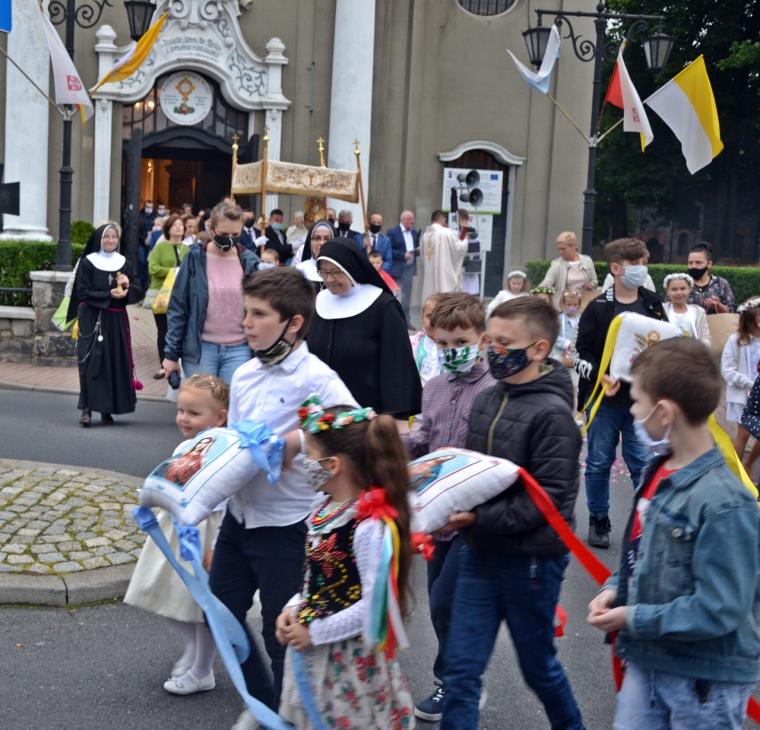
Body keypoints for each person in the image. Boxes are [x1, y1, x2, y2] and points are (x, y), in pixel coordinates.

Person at [208, 268, 357, 723]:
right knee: (220, 614)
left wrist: (300, 439)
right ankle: (264, 703)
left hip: (288, 526)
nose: (246, 323)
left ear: (293, 323)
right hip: (240, 519)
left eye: (259, 315)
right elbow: (235, 447)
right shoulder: (245, 373)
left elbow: (355, 431)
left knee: (282, 632)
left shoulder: (318, 379)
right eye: (246, 312)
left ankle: (289, 716)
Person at [587, 337, 760, 729]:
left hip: (703, 683)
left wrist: (633, 617)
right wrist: (615, 588)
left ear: (664, 412)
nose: (632, 412)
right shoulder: (657, 472)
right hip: (649, 662)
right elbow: (644, 554)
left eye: (636, 402)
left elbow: (720, 607)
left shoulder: (725, 503)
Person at [440, 297, 585, 730]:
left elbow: (550, 500)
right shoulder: (487, 399)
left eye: (506, 343)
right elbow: (472, 473)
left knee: (539, 668)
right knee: (461, 670)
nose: (494, 351)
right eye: (492, 341)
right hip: (479, 554)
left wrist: (477, 519)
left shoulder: (554, 415)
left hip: (532, 561)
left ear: (539, 349)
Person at [275, 397, 415, 728]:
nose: (304, 462)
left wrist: (315, 631)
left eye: (309, 454)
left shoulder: (368, 527)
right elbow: (314, 580)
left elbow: (373, 606)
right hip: (315, 645)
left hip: (348, 659)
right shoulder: (323, 510)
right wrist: (293, 607)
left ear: (332, 464)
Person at [405, 293, 495, 722]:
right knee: (439, 603)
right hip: (436, 517)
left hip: (474, 519)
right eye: (442, 344)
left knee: (446, 601)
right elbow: (424, 440)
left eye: (460, 342)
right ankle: (460, 676)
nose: (451, 350)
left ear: (482, 339)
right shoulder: (435, 388)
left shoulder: (495, 390)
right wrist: (389, 447)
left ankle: (457, 681)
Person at [124, 374, 229, 695]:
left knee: (202, 606)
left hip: (205, 532)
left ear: (220, 417)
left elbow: (229, 501)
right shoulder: (184, 445)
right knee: (166, 596)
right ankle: (193, 648)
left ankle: (202, 669)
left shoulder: (227, 451)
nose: (184, 418)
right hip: (175, 530)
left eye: (194, 413)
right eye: (181, 410)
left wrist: (218, 545)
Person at [575, 238, 668, 548]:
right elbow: (581, 353)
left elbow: (666, 344)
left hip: (642, 403)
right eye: (636, 263)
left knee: (642, 464)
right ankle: (599, 519)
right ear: (616, 268)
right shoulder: (598, 308)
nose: (642, 269)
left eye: (644, 263)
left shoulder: (652, 303)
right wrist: (599, 376)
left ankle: (643, 522)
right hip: (604, 401)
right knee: (599, 462)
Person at [308, 238, 422, 418]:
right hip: (322, 415)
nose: (329, 279)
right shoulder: (319, 302)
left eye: (336, 272)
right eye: (323, 272)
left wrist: (397, 416)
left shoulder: (383, 306)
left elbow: (397, 365)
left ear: (351, 268)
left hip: (369, 416)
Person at [163, 200, 259, 383]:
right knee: (203, 400)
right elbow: (178, 307)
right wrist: (171, 354)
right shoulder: (194, 258)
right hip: (201, 349)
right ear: (212, 229)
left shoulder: (249, 261)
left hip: (239, 349)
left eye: (235, 234)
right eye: (224, 234)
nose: (229, 238)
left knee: (231, 401)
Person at [66, 223, 144, 426]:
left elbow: (138, 289)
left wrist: (127, 287)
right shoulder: (88, 262)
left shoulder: (124, 263)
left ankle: (107, 409)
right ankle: (87, 409)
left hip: (117, 319)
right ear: (99, 239)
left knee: (113, 362)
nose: (110, 240)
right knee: (91, 363)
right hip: (92, 318)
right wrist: (108, 294)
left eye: (114, 237)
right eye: (106, 237)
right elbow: (82, 292)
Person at [148, 214, 190, 380]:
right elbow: (153, 268)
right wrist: (172, 272)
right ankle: (163, 365)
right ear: (168, 229)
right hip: (161, 295)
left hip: (180, 296)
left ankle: (178, 362)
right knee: (163, 330)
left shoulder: (187, 249)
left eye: (181, 225)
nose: (179, 227)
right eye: (175, 225)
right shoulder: (160, 247)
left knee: (179, 329)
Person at [721, 297, 760, 472]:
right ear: (750, 318)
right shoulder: (736, 340)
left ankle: (749, 465)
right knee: (743, 434)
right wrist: (750, 383)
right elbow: (727, 369)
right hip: (743, 395)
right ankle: (736, 473)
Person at [539, 231, 598, 308]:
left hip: (584, 304)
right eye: (559, 249)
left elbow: (595, 281)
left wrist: (591, 285)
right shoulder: (556, 264)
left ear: (573, 246)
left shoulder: (587, 261)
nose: (560, 252)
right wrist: (542, 293)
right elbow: (546, 284)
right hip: (563, 306)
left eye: (563, 249)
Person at [420, 210, 468, 305]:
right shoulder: (446, 232)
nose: (446, 223)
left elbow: (422, 256)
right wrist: (465, 231)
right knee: (444, 302)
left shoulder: (424, 236)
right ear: (442, 218)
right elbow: (460, 248)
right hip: (444, 278)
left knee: (432, 302)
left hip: (429, 279)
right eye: (445, 220)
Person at [386, 210, 420, 325]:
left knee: (407, 296)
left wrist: (418, 250)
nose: (413, 221)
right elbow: (389, 250)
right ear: (403, 219)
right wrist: (402, 255)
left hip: (409, 269)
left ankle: (406, 321)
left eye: (413, 219)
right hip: (397, 270)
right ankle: (392, 320)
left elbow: (415, 248)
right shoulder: (392, 232)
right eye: (410, 219)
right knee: (394, 296)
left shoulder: (414, 232)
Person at [662, 273, 711, 344]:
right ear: (667, 291)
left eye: (683, 289)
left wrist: (703, 349)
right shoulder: (660, 310)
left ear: (689, 290)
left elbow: (705, 337)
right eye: (674, 289)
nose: (679, 293)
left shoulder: (698, 312)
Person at [687, 242, 736, 313]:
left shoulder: (721, 283)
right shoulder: (683, 284)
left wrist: (718, 305)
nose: (693, 266)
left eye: (698, 263)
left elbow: (732, 311)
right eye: (690, 263)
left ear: (709, 264)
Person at [410, 293, 443, 387]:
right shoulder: (414, 344)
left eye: (439, 316)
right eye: (429, 316)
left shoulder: (451, 347)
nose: (433, 321)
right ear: (422, 317)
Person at [294, 219, 332, 294]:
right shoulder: (300, 270)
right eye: (317, 238)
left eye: (327, 239)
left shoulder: (342, 271)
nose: (322, 243)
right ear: (310, 242)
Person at [551, 288, 582, 367]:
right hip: (560, 354)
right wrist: (567, 343)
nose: (572, 307)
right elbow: (554, 336)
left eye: (575, 305)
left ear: (579, 305)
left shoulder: (582, 319)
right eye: (569, 305)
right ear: (563, 304)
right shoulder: (559, 319)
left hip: (576, 354)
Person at [458, 210, 482, 296]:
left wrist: (466, 232)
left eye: (465, 219)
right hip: (458, 270)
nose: (464, 221)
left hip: (470, 268)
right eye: (461, 219)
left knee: (469, 295)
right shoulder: (454, 232)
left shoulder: (474, 234)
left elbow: (475, 250)